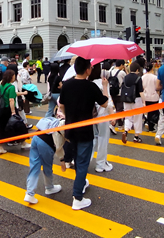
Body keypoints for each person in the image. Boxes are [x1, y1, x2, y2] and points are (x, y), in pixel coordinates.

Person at [59, 56, 109, 211]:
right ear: (87, 70)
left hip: (70, 129)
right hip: (85, 131)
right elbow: (105, 103)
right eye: (91, 67)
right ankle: (77, 198)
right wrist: (105, 87)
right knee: (82, 163)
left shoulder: (66, 85)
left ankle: (82, 183)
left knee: (76, 159)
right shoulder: (91, 86)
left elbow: (61, 105)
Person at [23, 115, 64, 204]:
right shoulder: (65, 124)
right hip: (46, 143)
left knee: (34, 167)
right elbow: (59, 145)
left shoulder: (57, 119)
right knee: (47, 166)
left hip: (36, 137)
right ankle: (49, 187)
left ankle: (29, 194)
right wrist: (62, 159)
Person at [90, 63, 113, 173]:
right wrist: (105, 86)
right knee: (103, 138)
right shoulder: (102, 82)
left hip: (91, 115)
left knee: (93, 138)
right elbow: (106, 101)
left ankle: (86, 160)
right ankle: (100, 164)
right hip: (102, 114)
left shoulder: (88, 83)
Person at [0, 69, 18, 155]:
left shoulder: (2, 84)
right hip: (8, 109)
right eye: (14, 75)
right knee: (17, 124)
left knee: (0, 127)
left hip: (1, 109)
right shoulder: (11, 87)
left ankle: (0, 147)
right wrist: (13, 112)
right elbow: (11, 100)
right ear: (11, 76)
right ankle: (21, 141)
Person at [121, 62, 145, 144]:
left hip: (127, 99)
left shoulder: (125, 77)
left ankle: (126, 131)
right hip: (136, 100)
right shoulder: (138, 78)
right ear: (137, 70)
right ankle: (136, 137)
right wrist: (144, 102)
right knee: (137, 118)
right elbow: (141, 92)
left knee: (128, 117)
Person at [108, 60, 126, 130]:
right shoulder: (122, 72)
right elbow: (126, 80)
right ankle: (114, 123)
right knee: (119, 109)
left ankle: (120, 124)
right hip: (120, 93)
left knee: (117, 108)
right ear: (121, 65)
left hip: (112, 92)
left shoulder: (110, 71)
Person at [141, 64, 160, 132]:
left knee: (149, 111)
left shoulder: (142, 77)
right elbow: (157, 87)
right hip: (154, 96)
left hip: (146, 96)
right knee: (155, 112)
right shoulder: (155, 77)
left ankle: (148, 122)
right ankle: (152, 126)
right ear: (152, 69)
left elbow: (142, 88)